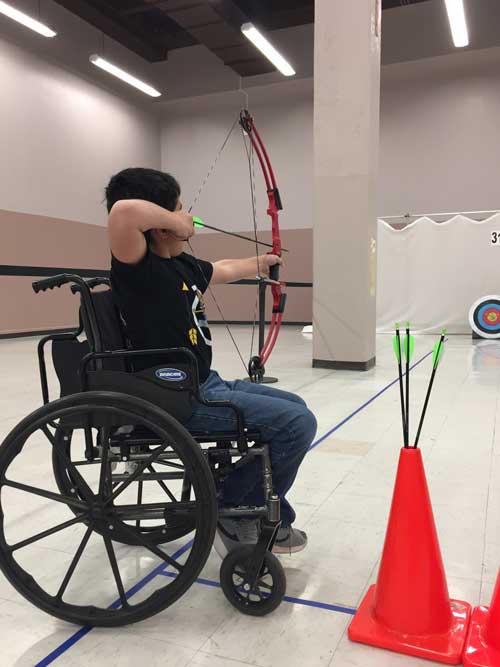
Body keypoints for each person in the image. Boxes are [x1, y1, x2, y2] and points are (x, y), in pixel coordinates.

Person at [106, 167, 317, 554]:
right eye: (180, 211)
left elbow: (221, 270)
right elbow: (123, 212)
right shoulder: (139, 269)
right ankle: (232, 503)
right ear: (160, 223)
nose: (189, 218)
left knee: (295, 407)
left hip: (203, 383)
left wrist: (261, 262)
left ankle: (255, 505)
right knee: (298, 424)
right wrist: (179, 220)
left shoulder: (182, 265)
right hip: (173, 395)